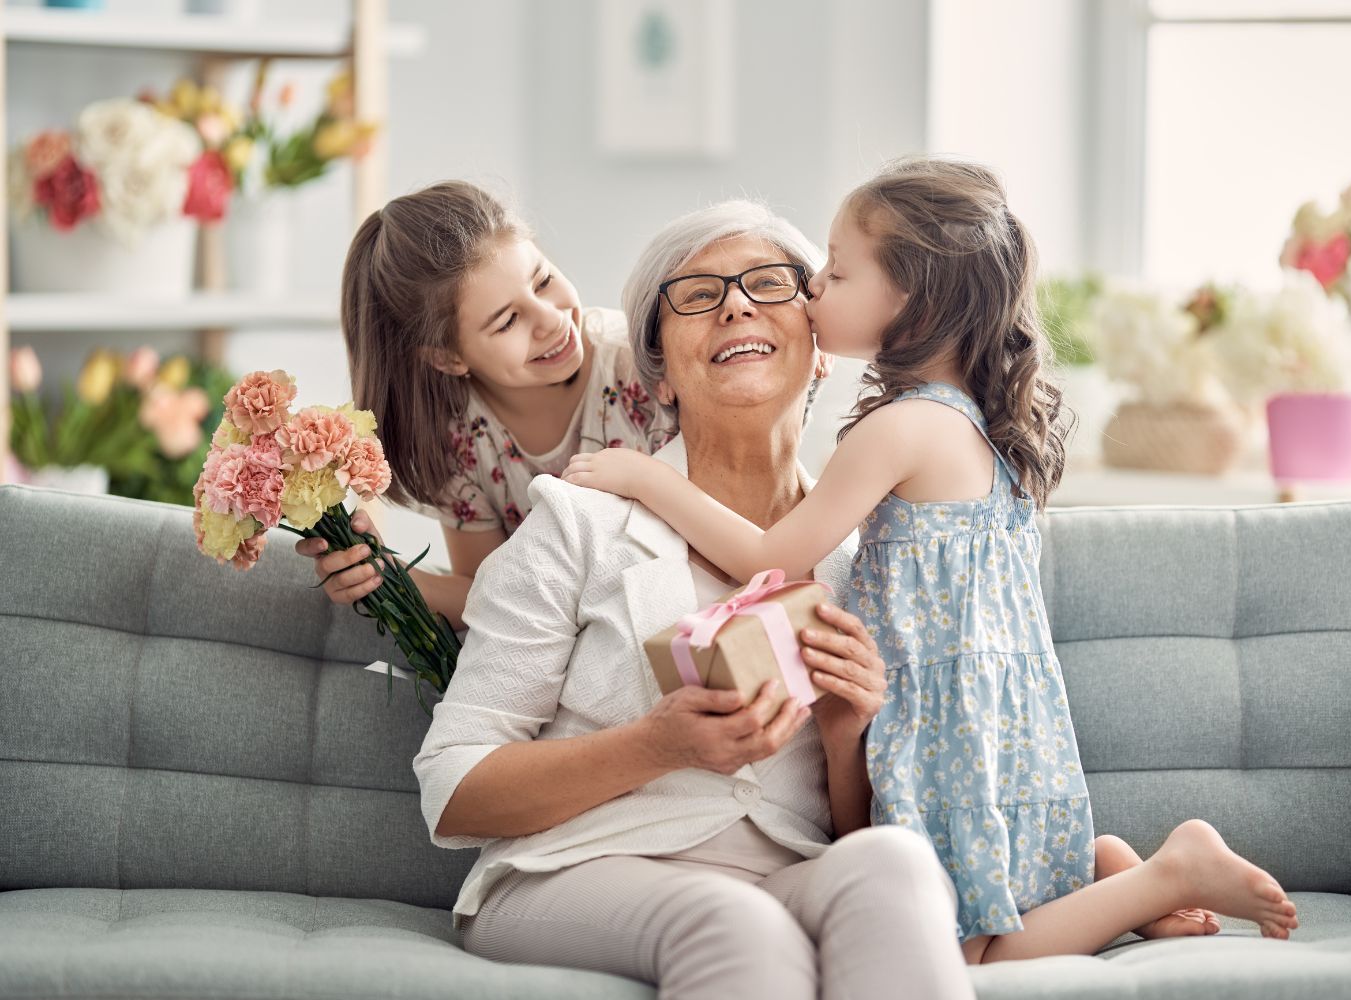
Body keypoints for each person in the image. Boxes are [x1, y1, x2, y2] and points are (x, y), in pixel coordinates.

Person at [563, 156, 1300, 963]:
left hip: (944, 705)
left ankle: (1163, 875)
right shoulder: (977, 423)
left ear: (909, 299)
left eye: (836, 275)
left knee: (971, 955)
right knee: (983, 892)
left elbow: (771, 557)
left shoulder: (901, 429)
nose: (812, 293)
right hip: (997, 699)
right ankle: (1105, 869)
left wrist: (643, 476)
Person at [412, 200, 977, 999]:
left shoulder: (872, 560)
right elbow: (454, 785)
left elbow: (851, 828)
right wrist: (657, 746)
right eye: (698, 295)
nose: (736, 304)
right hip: (572, 874)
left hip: (783, 875)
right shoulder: (579, 524)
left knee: (894, 862)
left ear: (819, 349)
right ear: (663, 375)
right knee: (732, 921)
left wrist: (849, 733)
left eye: (767, 284)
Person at [295, 181, 662, 624]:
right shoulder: (459, 442)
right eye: (508, 321)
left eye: (543, 281)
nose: (550, 319)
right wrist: (386, 575)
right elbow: (487, 592)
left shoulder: (641, 364)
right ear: (447, 358)